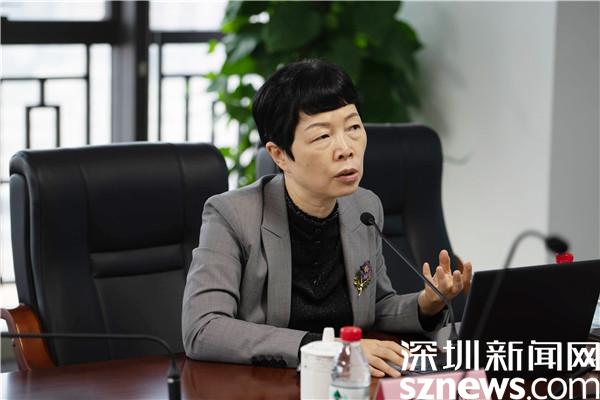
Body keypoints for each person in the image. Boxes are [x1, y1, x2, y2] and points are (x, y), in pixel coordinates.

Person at [182, 59, 472, 377]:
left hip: (348, 382)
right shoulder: (233, 215)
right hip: (267, 384)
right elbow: (204, 328)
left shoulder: (364, 207)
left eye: (353, 128)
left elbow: (374, 306)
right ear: (280, 155)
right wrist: (328, 349)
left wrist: (426, 304)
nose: (346, 149)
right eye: (322, 137)